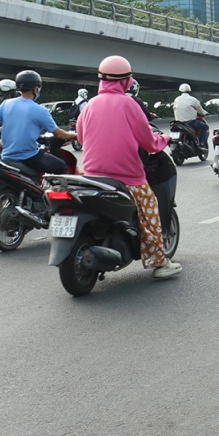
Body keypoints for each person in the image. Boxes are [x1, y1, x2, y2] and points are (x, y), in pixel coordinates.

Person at [77, 55, 181, 279]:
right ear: (125, 81)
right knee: (149, 209)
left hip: (92, 176)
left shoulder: (90, 105)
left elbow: (82, 137)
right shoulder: (128, 103)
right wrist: (163, 139)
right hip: (127, 177)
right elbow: (148, 141)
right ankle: (159, 263)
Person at [0, 70, 77, 176]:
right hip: (29, 157)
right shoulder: (40, 110)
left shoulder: (6, 104)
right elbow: (59, 134)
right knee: (62, 166)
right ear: (36, 89)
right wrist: (74, 135)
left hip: (6, 156)